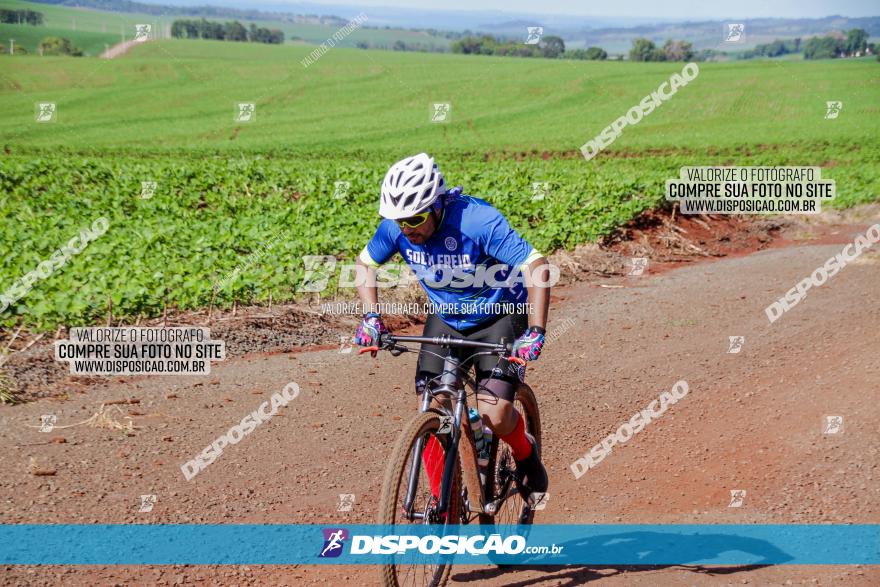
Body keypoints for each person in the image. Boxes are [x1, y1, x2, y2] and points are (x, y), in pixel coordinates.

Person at [353, 153, 550, 500]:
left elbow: (537, 265)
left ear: (438, 203)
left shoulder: (477, 221)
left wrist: (536, 330)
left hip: (499, 314)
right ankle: (444, 506)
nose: (408, 229)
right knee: (432, 406)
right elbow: (365, 264)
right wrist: (371, 317)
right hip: (446, 319)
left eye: (416, 218)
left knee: (496, 413)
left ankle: (524, 452)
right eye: (400, 221)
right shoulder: (397, 228)